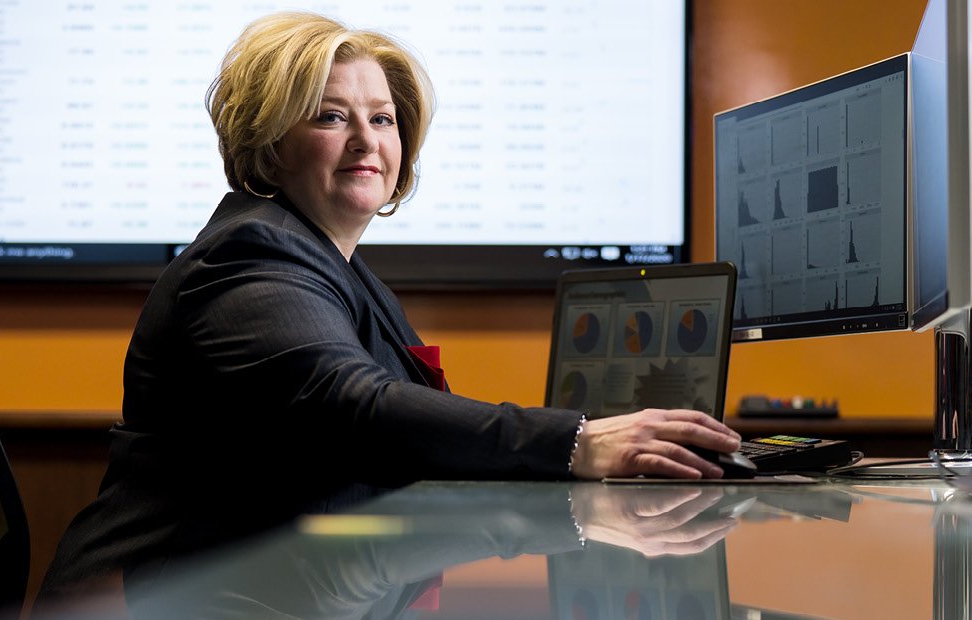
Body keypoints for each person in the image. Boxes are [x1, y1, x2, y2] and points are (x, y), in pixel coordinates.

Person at [37, 11, 741, 603]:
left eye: (382, 118)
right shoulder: (250, 254)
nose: (368, 141)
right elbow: (351, 406)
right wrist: (578, 442)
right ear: (269, 145)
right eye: (330, 116)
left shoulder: (333, 264)